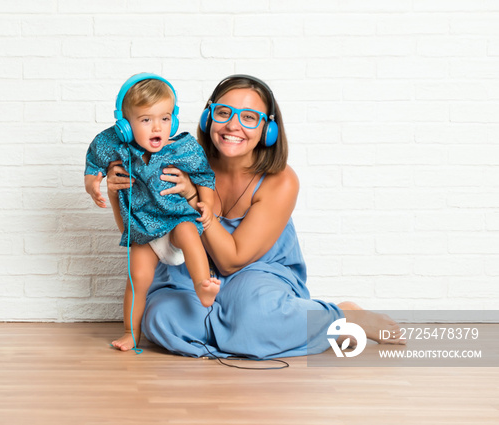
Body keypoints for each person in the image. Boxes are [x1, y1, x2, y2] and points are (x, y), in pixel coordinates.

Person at [104, 74, 406, 359]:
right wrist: (118, 193)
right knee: (162, 318)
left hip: (256, 273)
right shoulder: (181, 161)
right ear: (209, 118)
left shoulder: (281, 181)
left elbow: (231, 259)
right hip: (192, 276)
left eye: (249, 118)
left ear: (267, 129)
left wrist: (193, 198)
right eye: (224, 113)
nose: (233, 125)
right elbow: (137, 233)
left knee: (255, 315)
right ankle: (241, 335)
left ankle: (338, 316)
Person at [84, 73, 220, 352]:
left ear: (175, 119)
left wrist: (204, 202)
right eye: (146, 120)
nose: (157, 126)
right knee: (137, 278)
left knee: (188, 234)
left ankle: (203, 286)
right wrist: (92, 183)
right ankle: (130, 333)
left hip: (175, 220)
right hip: (143, 229)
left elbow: (204, 175)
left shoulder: (183, 147)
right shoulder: (116, 144)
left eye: (165, 118)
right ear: (125, 124)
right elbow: (94, 159)